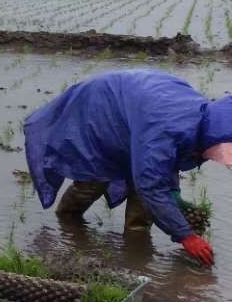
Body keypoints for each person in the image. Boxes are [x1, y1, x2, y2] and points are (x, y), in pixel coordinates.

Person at [24, 69, 231, 267]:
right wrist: (186, 236)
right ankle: (67, 227)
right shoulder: (167, 130)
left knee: (143, 207)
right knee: (94, 179)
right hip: (102, 112)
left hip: (139, 114)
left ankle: (136, 256)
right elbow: (151, 184)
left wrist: (174, 193)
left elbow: (170, 158)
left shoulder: (208, 124)